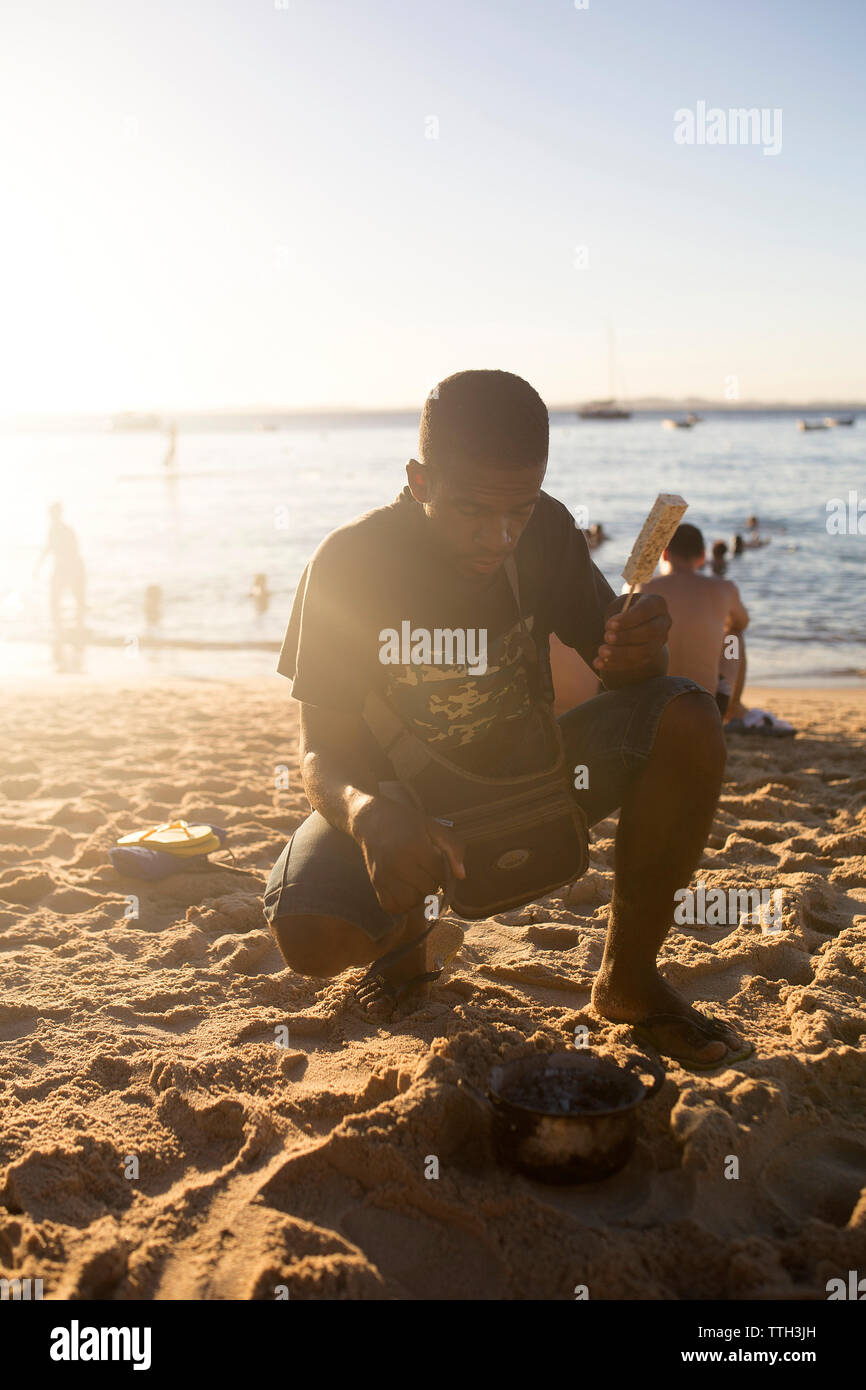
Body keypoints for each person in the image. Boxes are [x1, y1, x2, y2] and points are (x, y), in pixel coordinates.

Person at [263, 370, 749, 1069]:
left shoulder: (545, 530)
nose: (498, 536)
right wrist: (368, 812)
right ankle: (402, 957)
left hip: (539, 780)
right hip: (410, 810)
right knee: (310, 936)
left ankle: (628, 984)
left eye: (517, 510)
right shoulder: (351, 563)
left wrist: (644, 647)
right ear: (420, 480)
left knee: (688, 715)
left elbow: (627, 675)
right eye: (472, 510)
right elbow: (321, 756)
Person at [639, 522, 749, 718]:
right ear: (702, 557)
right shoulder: (724, 588)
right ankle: (734, 709)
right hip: (707, 705)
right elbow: (742, 623)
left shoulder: (642, 588)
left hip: (653, 702)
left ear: (665, 554)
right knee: (734, 636)